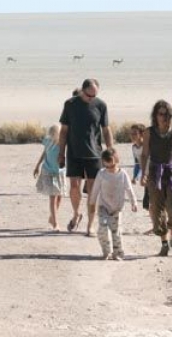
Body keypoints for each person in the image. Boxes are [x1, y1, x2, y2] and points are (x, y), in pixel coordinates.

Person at [58, 78, 113, 237]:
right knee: (74, 187)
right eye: (89, 96)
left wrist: (110, 151)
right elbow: (63, 131)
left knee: (92, 190)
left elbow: (106, 129)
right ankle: (76, 214)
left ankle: (90, 225)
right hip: (74, 152)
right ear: (82, 91)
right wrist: (61, 153)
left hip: (94, 153)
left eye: (94, 95)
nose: (91, 98)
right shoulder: (70, 104)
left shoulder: (101, 105)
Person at [140, 100, 172, 256]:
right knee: (156, 208)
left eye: (167, 114)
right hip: (155, 172)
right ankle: (164, 243)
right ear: (155, 115)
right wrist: (144, 174)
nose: (164, 117)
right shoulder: (148, 132)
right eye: (161, 114)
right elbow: (145, 154)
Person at [89, 148, 137, 260]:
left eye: (112, 166)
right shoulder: (101, 174)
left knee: (116, 232)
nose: (110, 169)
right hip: (103, 207)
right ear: (103, 164)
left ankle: (118, 253)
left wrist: (133, 202)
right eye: (107, 166)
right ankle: (106, 251)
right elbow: (95, 189)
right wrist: (92, 204)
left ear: (117, 161)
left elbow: (129, 189)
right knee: (102, 229)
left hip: (116, 208)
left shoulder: (123, 174)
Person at [33, 123, 66, 232]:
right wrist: (37, 165)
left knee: (59, 196)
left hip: (59, 172)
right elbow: (44, 153)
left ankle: (52, 217)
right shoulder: (47, 141)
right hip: (48, 172)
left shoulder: (63, 143)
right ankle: (55, 223)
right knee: (53, 197)